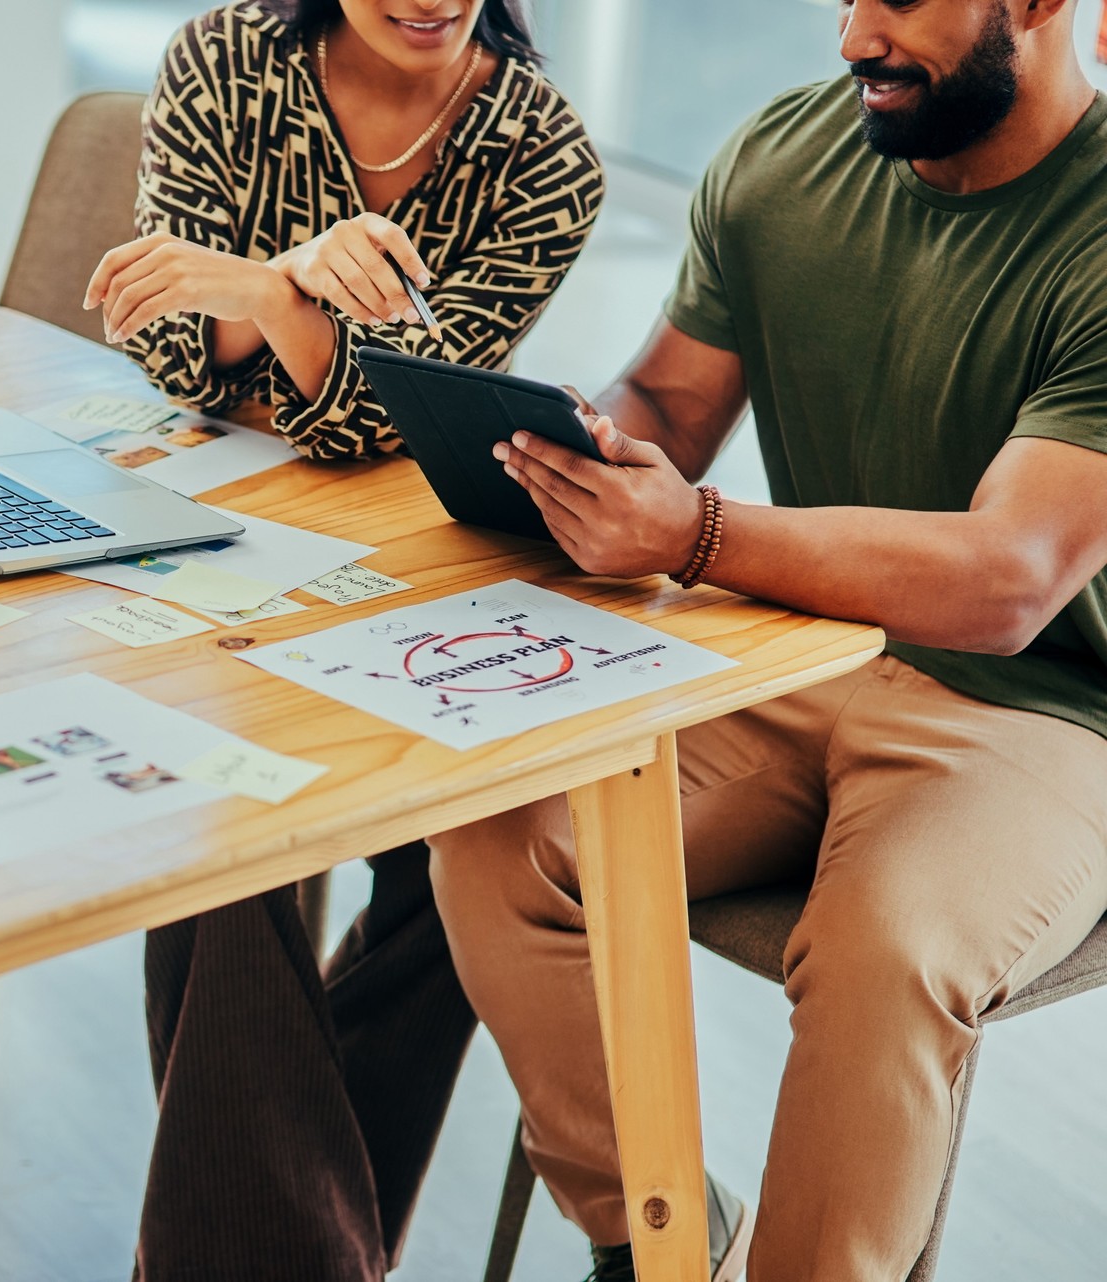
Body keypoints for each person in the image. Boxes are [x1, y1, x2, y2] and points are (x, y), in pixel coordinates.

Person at [428, 1, 1107, 1279]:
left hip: (1045, 711)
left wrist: (692, 536)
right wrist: (577, 448)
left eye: (900, 1)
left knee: (884, 953)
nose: (855, 35)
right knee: (498, 830)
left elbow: (1008, 582)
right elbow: (672, 403)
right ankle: (659, 1240)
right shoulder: (783, 161)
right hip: (800, 652)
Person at [81, 3, 604, 1278]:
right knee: (226, 804)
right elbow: (162, 347)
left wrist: (262, 291)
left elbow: (394, 415)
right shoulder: (225, 58)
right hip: (208, 536)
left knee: (489, 846)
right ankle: (305, 1253)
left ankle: (262, 1248)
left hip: (428, 561)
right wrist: (295, 290)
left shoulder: (544, 154)